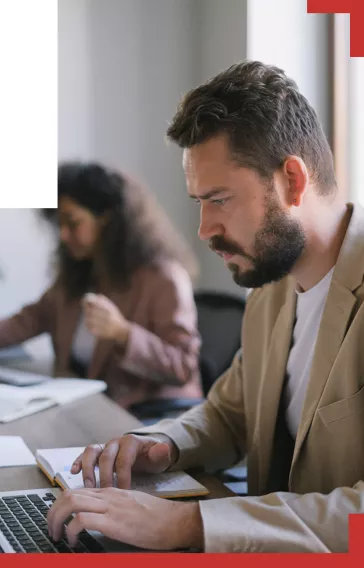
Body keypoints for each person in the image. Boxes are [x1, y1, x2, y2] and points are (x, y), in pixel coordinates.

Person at [47, 60, 364, 553]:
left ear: (293, 182)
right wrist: (163, 444)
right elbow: (229, 414)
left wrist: (188, 525)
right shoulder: (270, 292)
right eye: (199, 201)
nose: (204, 229)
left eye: (219, 199)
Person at [0, 163, 202, 408]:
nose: (63, 235)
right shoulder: (80, 272)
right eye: (60, 224)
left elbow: (183, 366)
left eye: (73, 222)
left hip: (145, 418)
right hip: (86, 407)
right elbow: (25, 322)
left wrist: (123, 333)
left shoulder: (164, 278)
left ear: (107, 219)